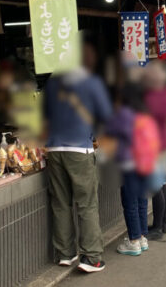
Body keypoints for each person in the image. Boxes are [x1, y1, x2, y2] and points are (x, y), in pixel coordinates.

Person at [43, 40, 112, 274]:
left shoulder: (51, 82)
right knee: (86, 204)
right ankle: (91, 258)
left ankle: (65, 253)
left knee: (60, 203)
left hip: (53, 150)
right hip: (79, 151)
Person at [106, 82, 160, 256]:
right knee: (142, 200)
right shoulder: (146, 112)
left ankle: (134, 241)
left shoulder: (123, 114)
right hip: (145, 163)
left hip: (129, 164)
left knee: (130, 203)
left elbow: (110, 131)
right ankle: (142, 236)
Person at [142, 61, 166, 240]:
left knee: (156, 186)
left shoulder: (155, 96)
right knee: (162, 185)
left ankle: (157, 227)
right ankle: (162, 223)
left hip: (157, 145)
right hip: (165, 144)